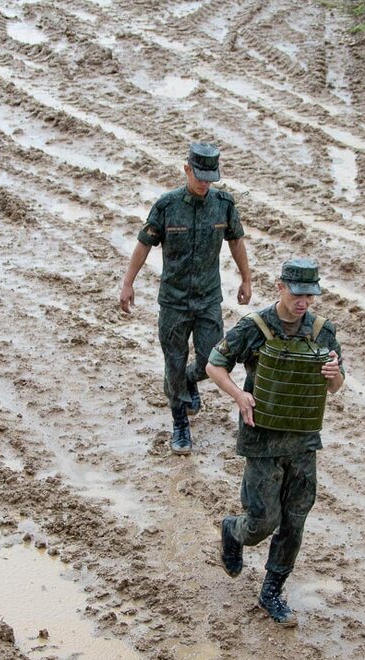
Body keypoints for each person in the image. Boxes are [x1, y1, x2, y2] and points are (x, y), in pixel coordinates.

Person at [205, 259, 344, 626]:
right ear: (280, 287)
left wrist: (334, 375)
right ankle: (232, 531)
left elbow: (335, 383)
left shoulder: (321, 331)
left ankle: (272, 591)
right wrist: (238, 394)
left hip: (303, 442)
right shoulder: (254, 327)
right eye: (298, 293)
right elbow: (214, 364)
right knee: (262, 522)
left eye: (310, 295)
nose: (304, 302)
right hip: (263, 441)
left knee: (294, 522)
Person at [119, 141, 252, 454]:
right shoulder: (167, 206)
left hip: (208, 299)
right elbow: (144, 244)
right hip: (174, 302)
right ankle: (180, 423)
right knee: (174, 363)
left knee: (213, 360)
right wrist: (128, 284)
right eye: (199, 175)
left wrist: (246, 278)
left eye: (210, 177)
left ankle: (188, 382)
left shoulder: (224, 204)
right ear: (187, 170)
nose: (205, 182)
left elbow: (236, 241)